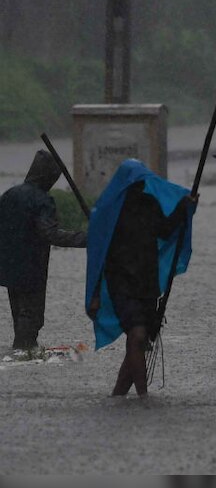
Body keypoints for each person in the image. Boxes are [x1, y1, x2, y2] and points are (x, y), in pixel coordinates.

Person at [86, 160, 195, 397]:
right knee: (137, 336)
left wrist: (183, 208)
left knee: (137, 342)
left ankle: (119, 395)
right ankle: (144, 397)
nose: (138, 187)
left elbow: (165, 231)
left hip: (146, 283)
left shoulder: (149, 204)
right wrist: (95, 295)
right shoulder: (108, 212)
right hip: (121, 283)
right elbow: (98, 256)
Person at [0, 151, 88, 355]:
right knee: (32, 317)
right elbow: (51, 234)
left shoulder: (10, 194)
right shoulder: (42, 201)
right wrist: (87, 239)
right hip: (32, 267)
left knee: (20, 314)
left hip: (9, 266)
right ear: (47, 177)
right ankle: (23, 351)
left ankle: (21, 350)